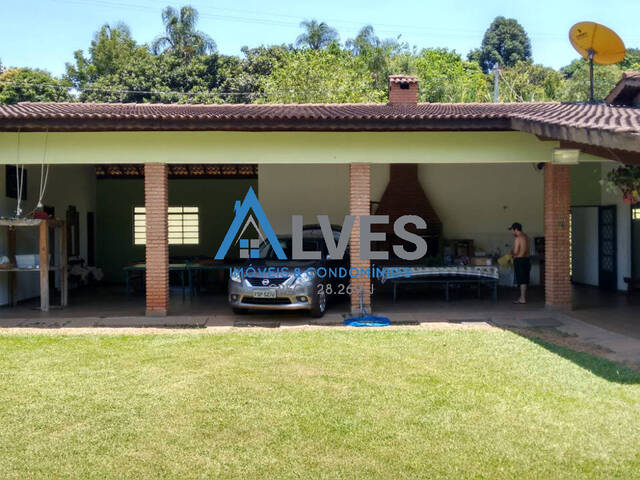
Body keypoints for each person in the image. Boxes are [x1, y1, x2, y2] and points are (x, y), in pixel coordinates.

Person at [508, 222, 530, 304]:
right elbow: (524, 249)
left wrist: (510, 255)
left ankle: (523, 298)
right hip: (526, 260)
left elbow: (517, 251)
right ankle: (522, 297)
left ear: (516, 229)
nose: (512, 232)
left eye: (512, 230)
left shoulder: (518, 238)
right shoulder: (526, 236)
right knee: (524, 279)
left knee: (521, 280)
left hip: (520, 260)